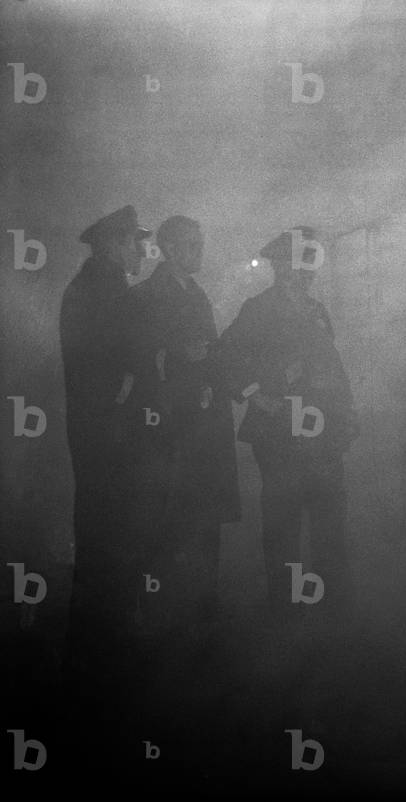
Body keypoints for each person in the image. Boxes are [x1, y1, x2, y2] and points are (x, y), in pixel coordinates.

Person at [215, 227, 358, 618]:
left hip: (322, 433)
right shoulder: (258, 309)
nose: (307, 271)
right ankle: (286, 606)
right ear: (281, 267)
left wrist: (345, 414)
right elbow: (226, 356)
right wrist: (257, 392)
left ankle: (333, 604)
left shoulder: (316, 310)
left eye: (309, 262)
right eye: (299, 263)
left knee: (330, 519)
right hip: (281, 435)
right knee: (283, 523)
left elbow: (331, 366)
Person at [126, 215, 241, 627]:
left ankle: (203, 603)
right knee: (165, 520)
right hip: (168, 431)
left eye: (201, 243)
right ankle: (156, 609)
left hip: (204, 428)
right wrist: (178, 355)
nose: (200, 252)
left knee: (205, 518)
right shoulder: (144, 297)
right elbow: (135, 363)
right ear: (171, 249)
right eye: (192, 244)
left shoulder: (197, 294)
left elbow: (209, 352)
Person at [59, 204, 151, 672]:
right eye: (135, 240)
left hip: (99, 432)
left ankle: (97, 642)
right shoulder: (105, 290)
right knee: (113, 534)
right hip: (111, 435)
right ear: (115, 245)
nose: (141, 249)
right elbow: (115, 365)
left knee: (101, 534)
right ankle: (107, 647)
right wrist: (127, 391)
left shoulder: (90, 287)